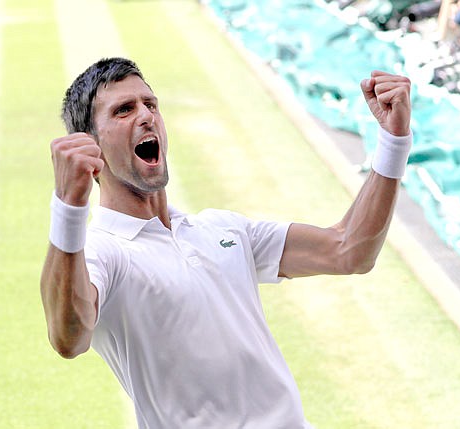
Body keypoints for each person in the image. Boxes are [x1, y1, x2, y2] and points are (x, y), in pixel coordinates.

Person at [40, 57, 412, 428]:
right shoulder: (103, 252)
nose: (146, 116)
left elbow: (349, 249)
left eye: (150, 104)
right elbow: (68, 337)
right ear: (91, 147)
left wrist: (394, 140)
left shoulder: (222, 229)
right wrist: (67, 207)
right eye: (124, 110)